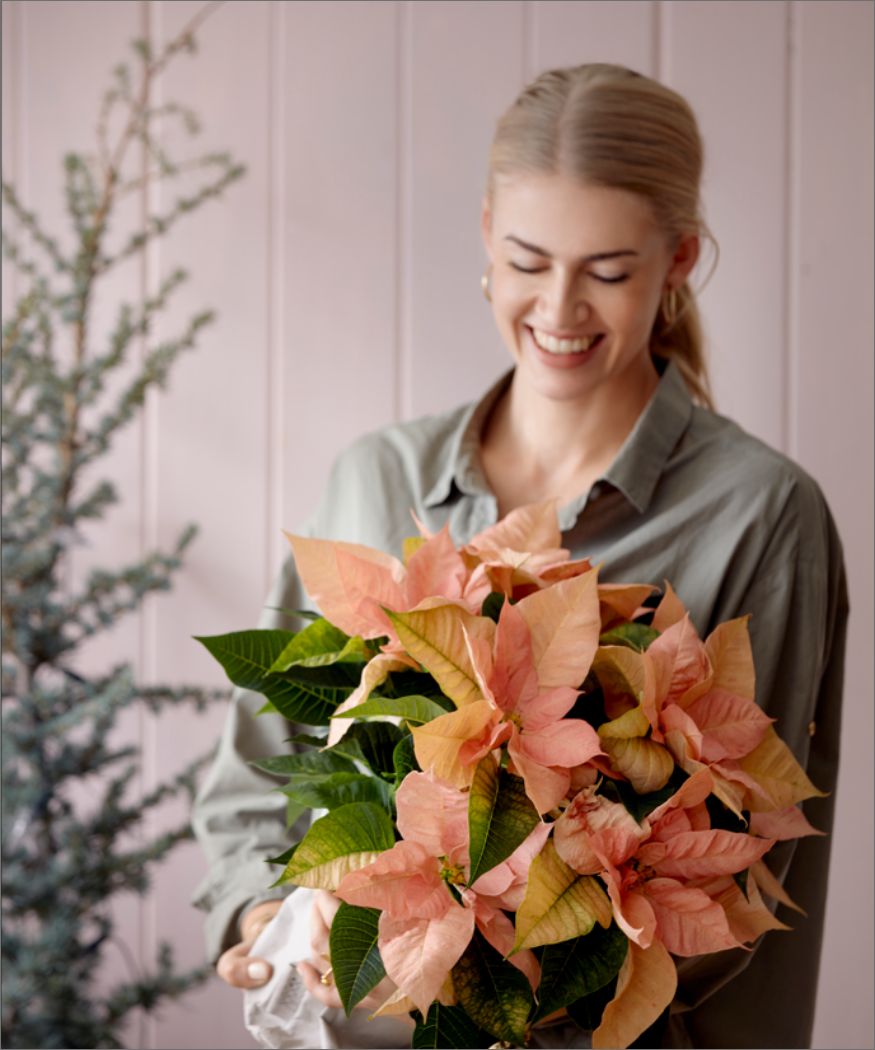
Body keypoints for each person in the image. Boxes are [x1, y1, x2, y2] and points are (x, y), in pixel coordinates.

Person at [193, 63, 847, 1048]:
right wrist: (275, 924)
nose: (559, 307)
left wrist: (474, 958)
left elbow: (740, 893)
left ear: (677, 259)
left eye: (608, 271)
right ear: (487, 236)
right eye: (529, 259)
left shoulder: (759, 513)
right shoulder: (379, 477)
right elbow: (260, 775)